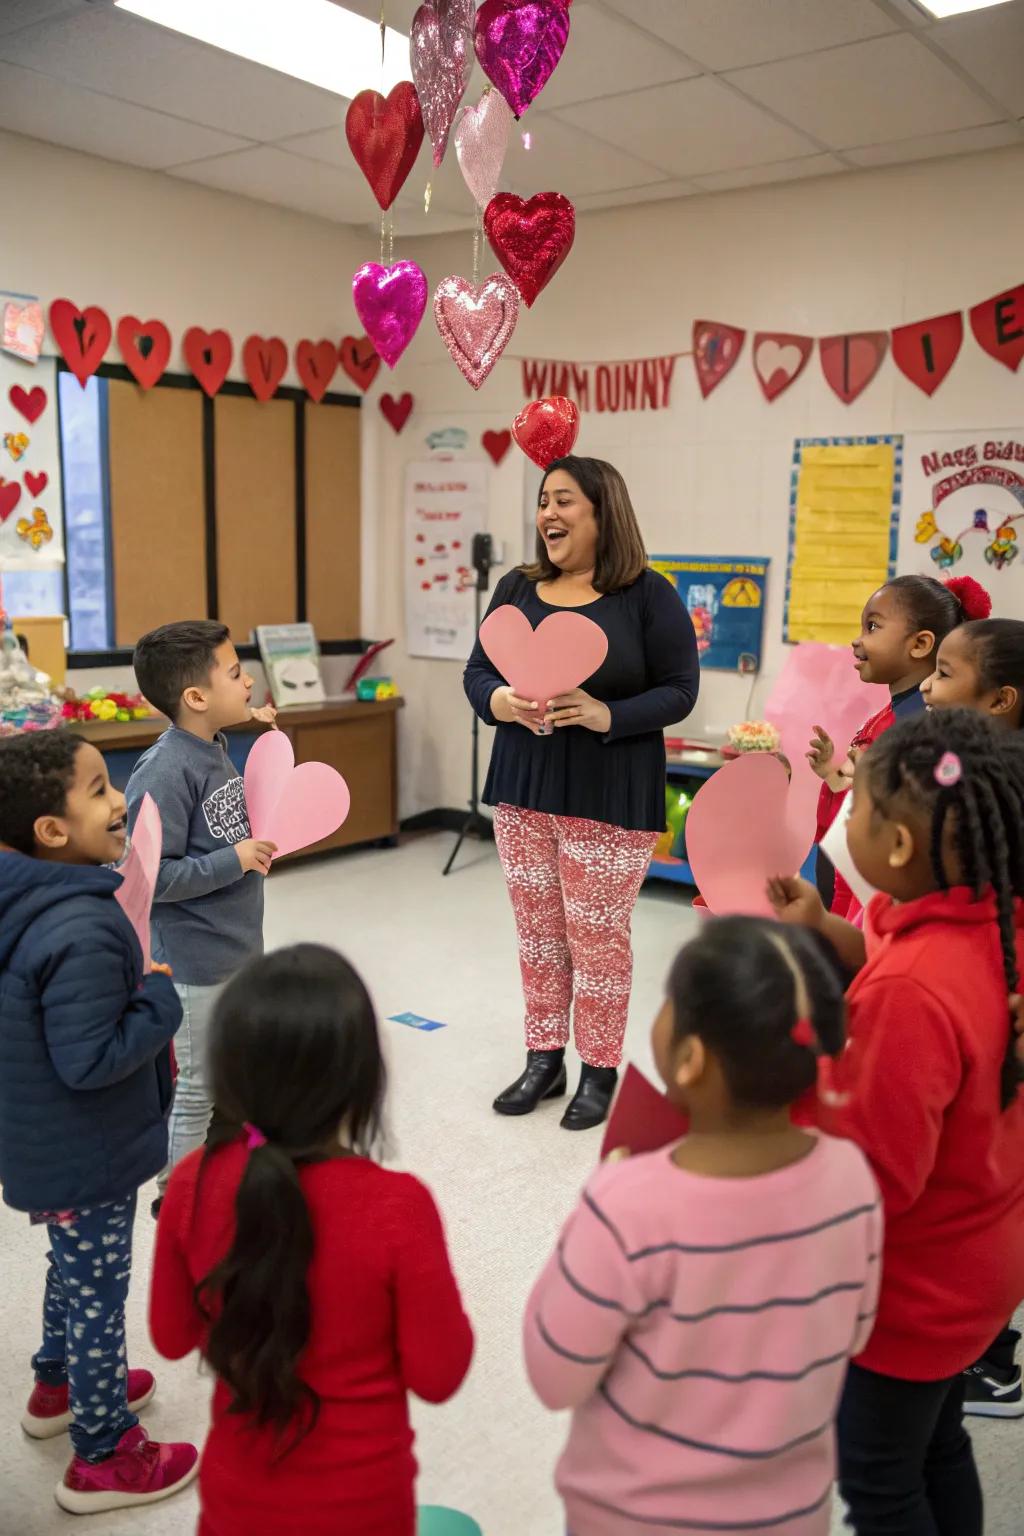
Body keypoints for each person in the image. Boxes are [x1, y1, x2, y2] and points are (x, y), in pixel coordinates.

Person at [523, 916, 881, 1536]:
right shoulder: (852, 1178)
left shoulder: (627, 1203)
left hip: (634, 1518)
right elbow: (856, 1330)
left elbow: (554, 1375)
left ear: (690, 1059)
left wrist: (594, 1214)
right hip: (790, 1517)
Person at [770, 708, 1024, 1536]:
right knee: (938, 1445)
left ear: (902, 851)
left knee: (881, 1483)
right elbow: (890, 953)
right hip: (978, 1262)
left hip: (907, 1295)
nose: (847, 822)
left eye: (861, 812)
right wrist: (820, 926)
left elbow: (870, 1177)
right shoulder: (989, 923)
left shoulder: (909, 996)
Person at [149, 944, 474, 1536]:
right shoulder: (397, 1205)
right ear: (363, 1080)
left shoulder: (193, 1182)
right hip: (366, 1507)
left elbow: (169, 1338)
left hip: (234, 1506)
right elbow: (440, 1374)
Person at [463, 456, 700, 1130]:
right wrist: (501, 701)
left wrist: (607, 715)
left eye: (565, 501)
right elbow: (478, 672)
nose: (548, 515)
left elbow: (681, 690)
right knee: (538, 937)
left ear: (603, 513)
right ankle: (545, 1060)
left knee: (597, 939)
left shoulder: (648, 595)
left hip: (609, 790)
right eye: (543, 501)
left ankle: (600, 1070)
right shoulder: (515, 587)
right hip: (523, 787)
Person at [0, 732, 197, 1516]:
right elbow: (90, 1059)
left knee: (71, 1269)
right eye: (96, 789)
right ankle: (103, 1452)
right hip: (89, 1146)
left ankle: (57, 1385)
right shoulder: (77, 927)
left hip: (52, 1143)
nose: (119, 799)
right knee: (97, 1291)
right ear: (51, 831)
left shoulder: (30, 900)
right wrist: (157, 997)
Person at [126, 620, 277, 1212]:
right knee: (196, 1089)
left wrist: (249, 852)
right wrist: (233, 860)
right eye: (236, 673)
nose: (249, 682)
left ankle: (229, 1168)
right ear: (195, 698)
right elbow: (147, 878)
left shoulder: (212, 748)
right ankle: (178, 1198)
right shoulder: (165, 769)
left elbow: (223, 833)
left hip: (236, 947)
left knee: (232, 1073)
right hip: (193, 962)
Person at [922, 617, 1024, 1418]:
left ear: (1000, 701)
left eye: (946, 673)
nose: (927, 684)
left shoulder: (993, 788)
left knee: (977, 1183)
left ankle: (991, 1363)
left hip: (992, 1007)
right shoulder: (968, 764)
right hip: (985, 1003)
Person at [807, 574, 991, 920]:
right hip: (848, 882)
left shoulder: (921, 722)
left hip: (871, 896)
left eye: (872, 627)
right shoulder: (895, 711)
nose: (856, 641)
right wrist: (835, 775)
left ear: (920, 644)